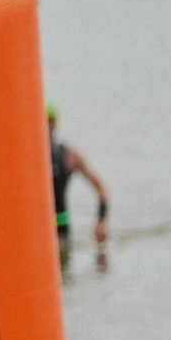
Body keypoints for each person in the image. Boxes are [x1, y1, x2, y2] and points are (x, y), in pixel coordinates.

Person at [47, 104, 110, 266]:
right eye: (44, 122)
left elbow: (101, 189)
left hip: (62, 230)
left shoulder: (69, 156)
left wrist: (101, 221)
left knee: (64, 278)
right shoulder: (25, 156)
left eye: (51, 123)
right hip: (36, 231)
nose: (47, 127)